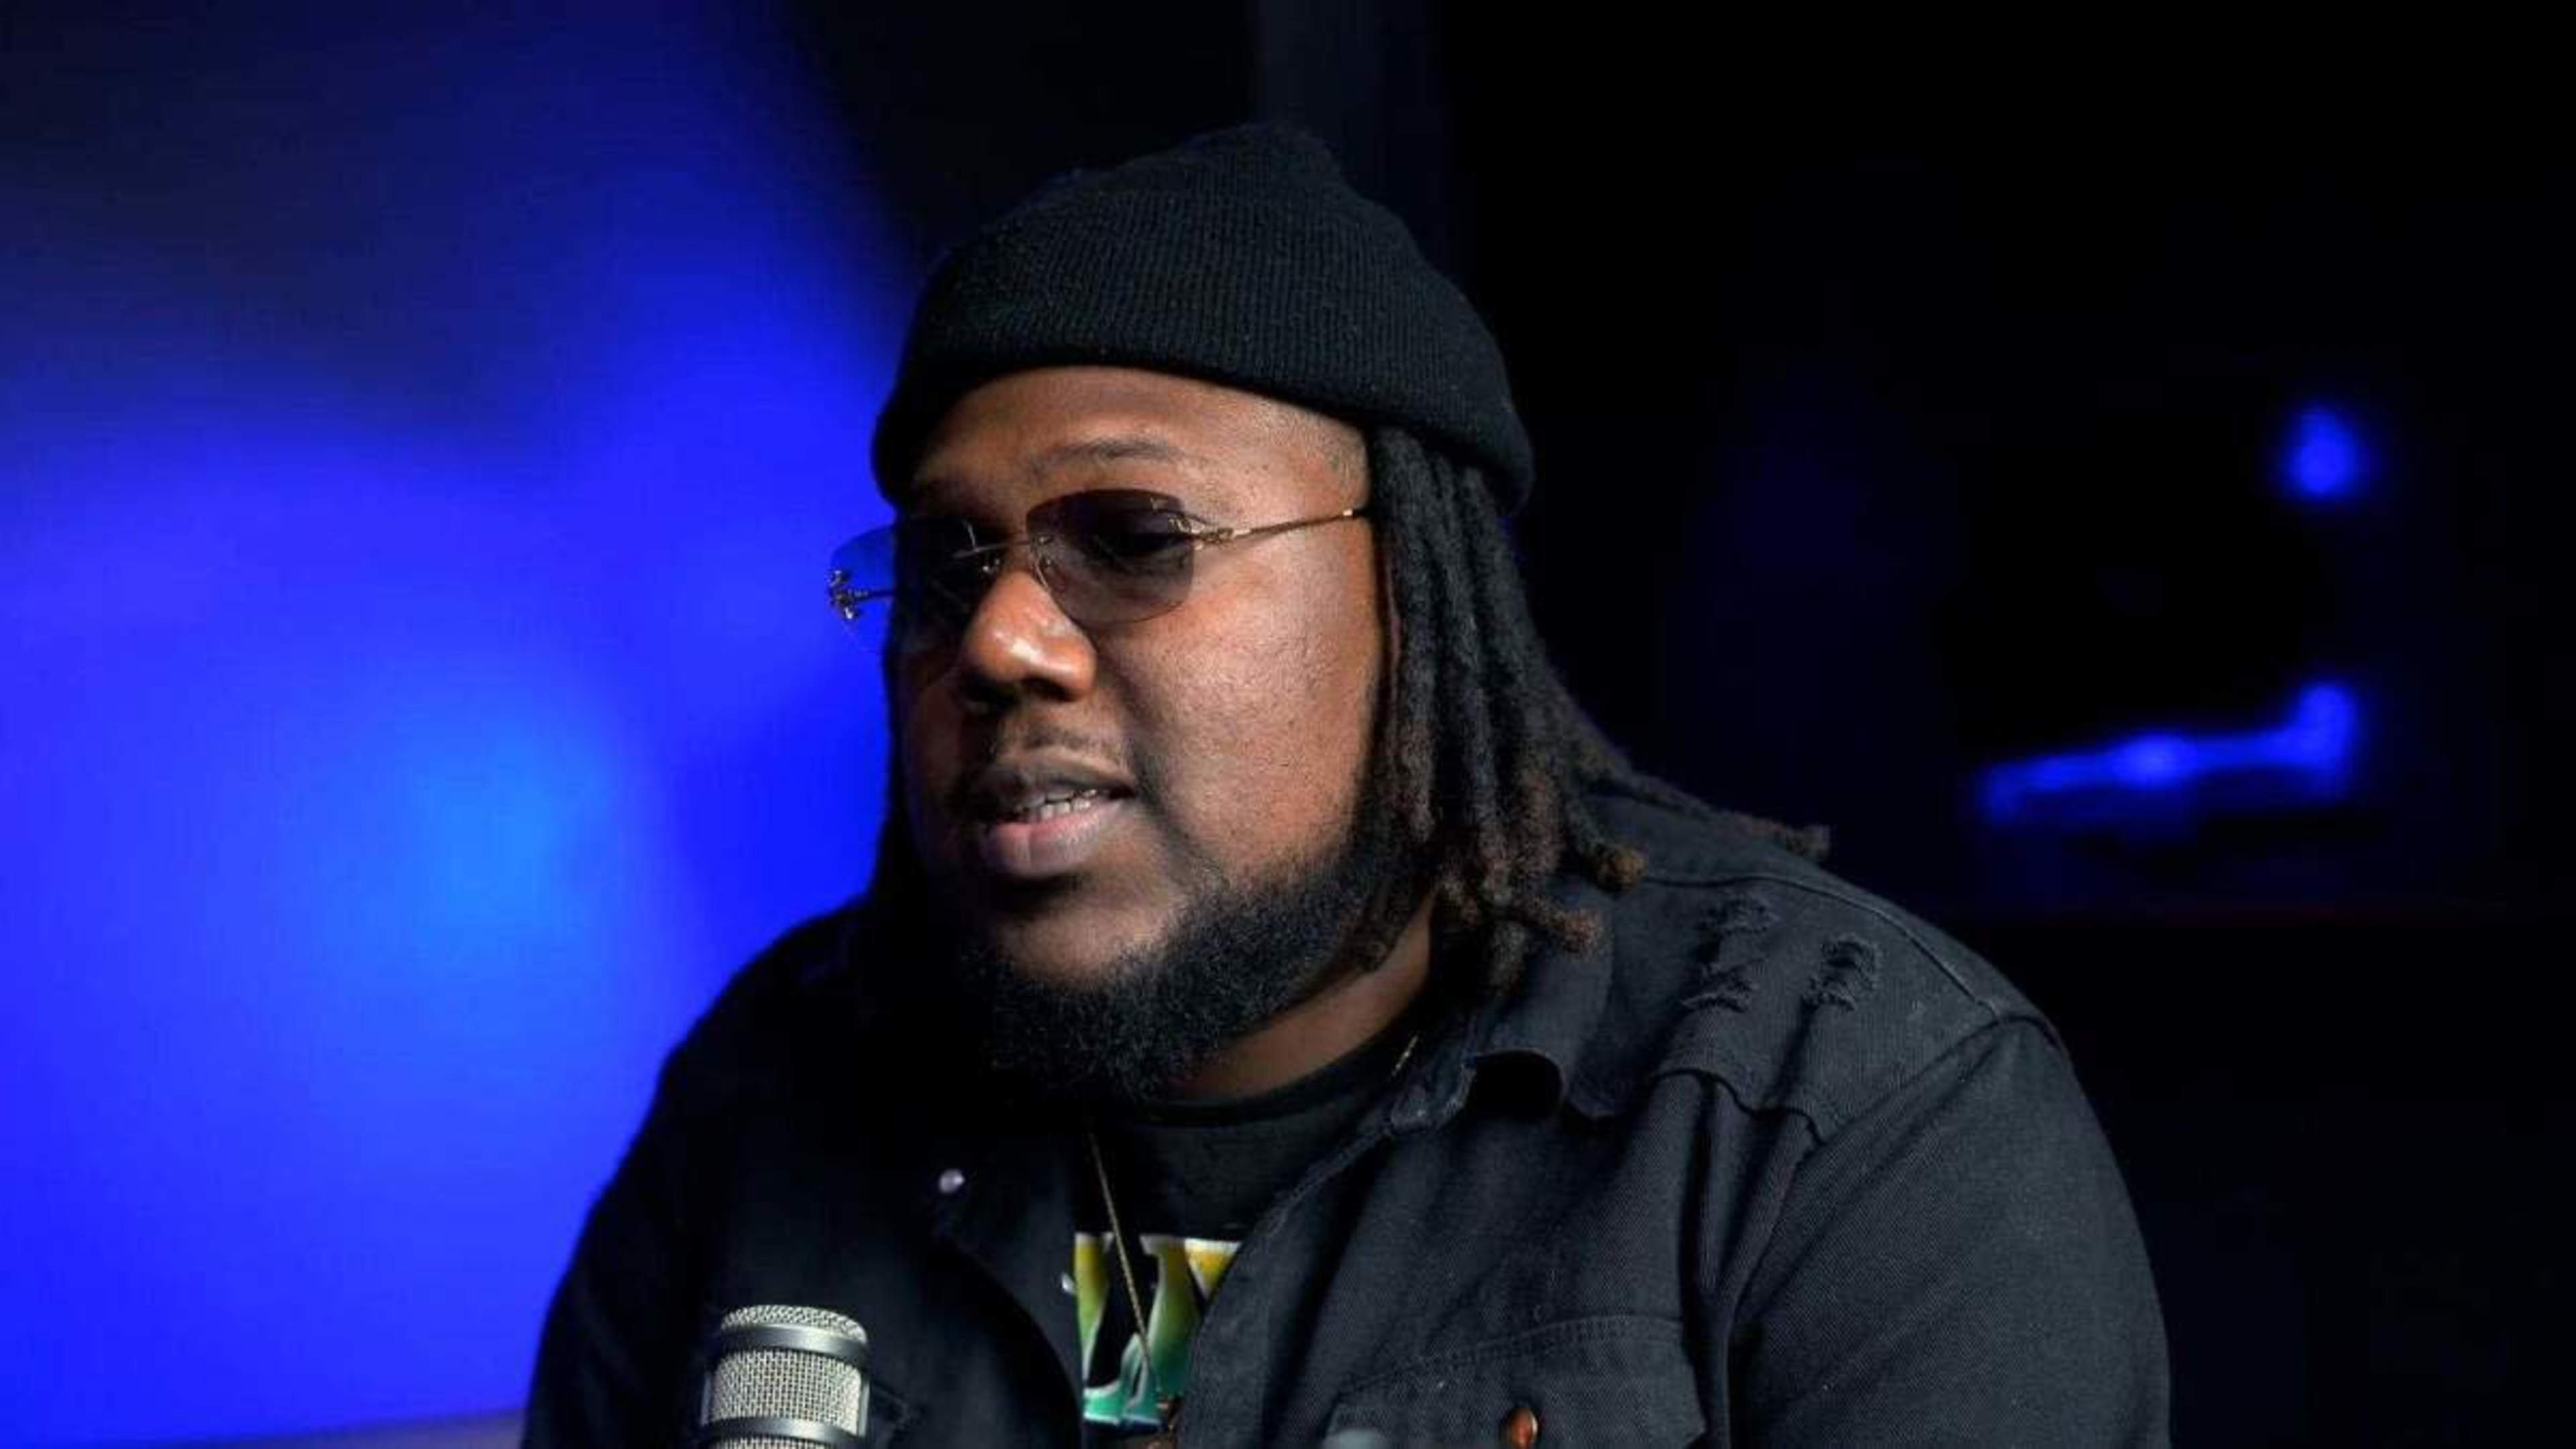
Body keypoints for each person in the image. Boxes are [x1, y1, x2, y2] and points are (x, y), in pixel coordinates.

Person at [525, 123, 2169, 1447]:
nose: (1002, 639)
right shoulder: (772, 1095)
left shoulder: (1836, 1113)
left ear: (1418, 604)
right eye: (949, 565)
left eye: (1133, 539)